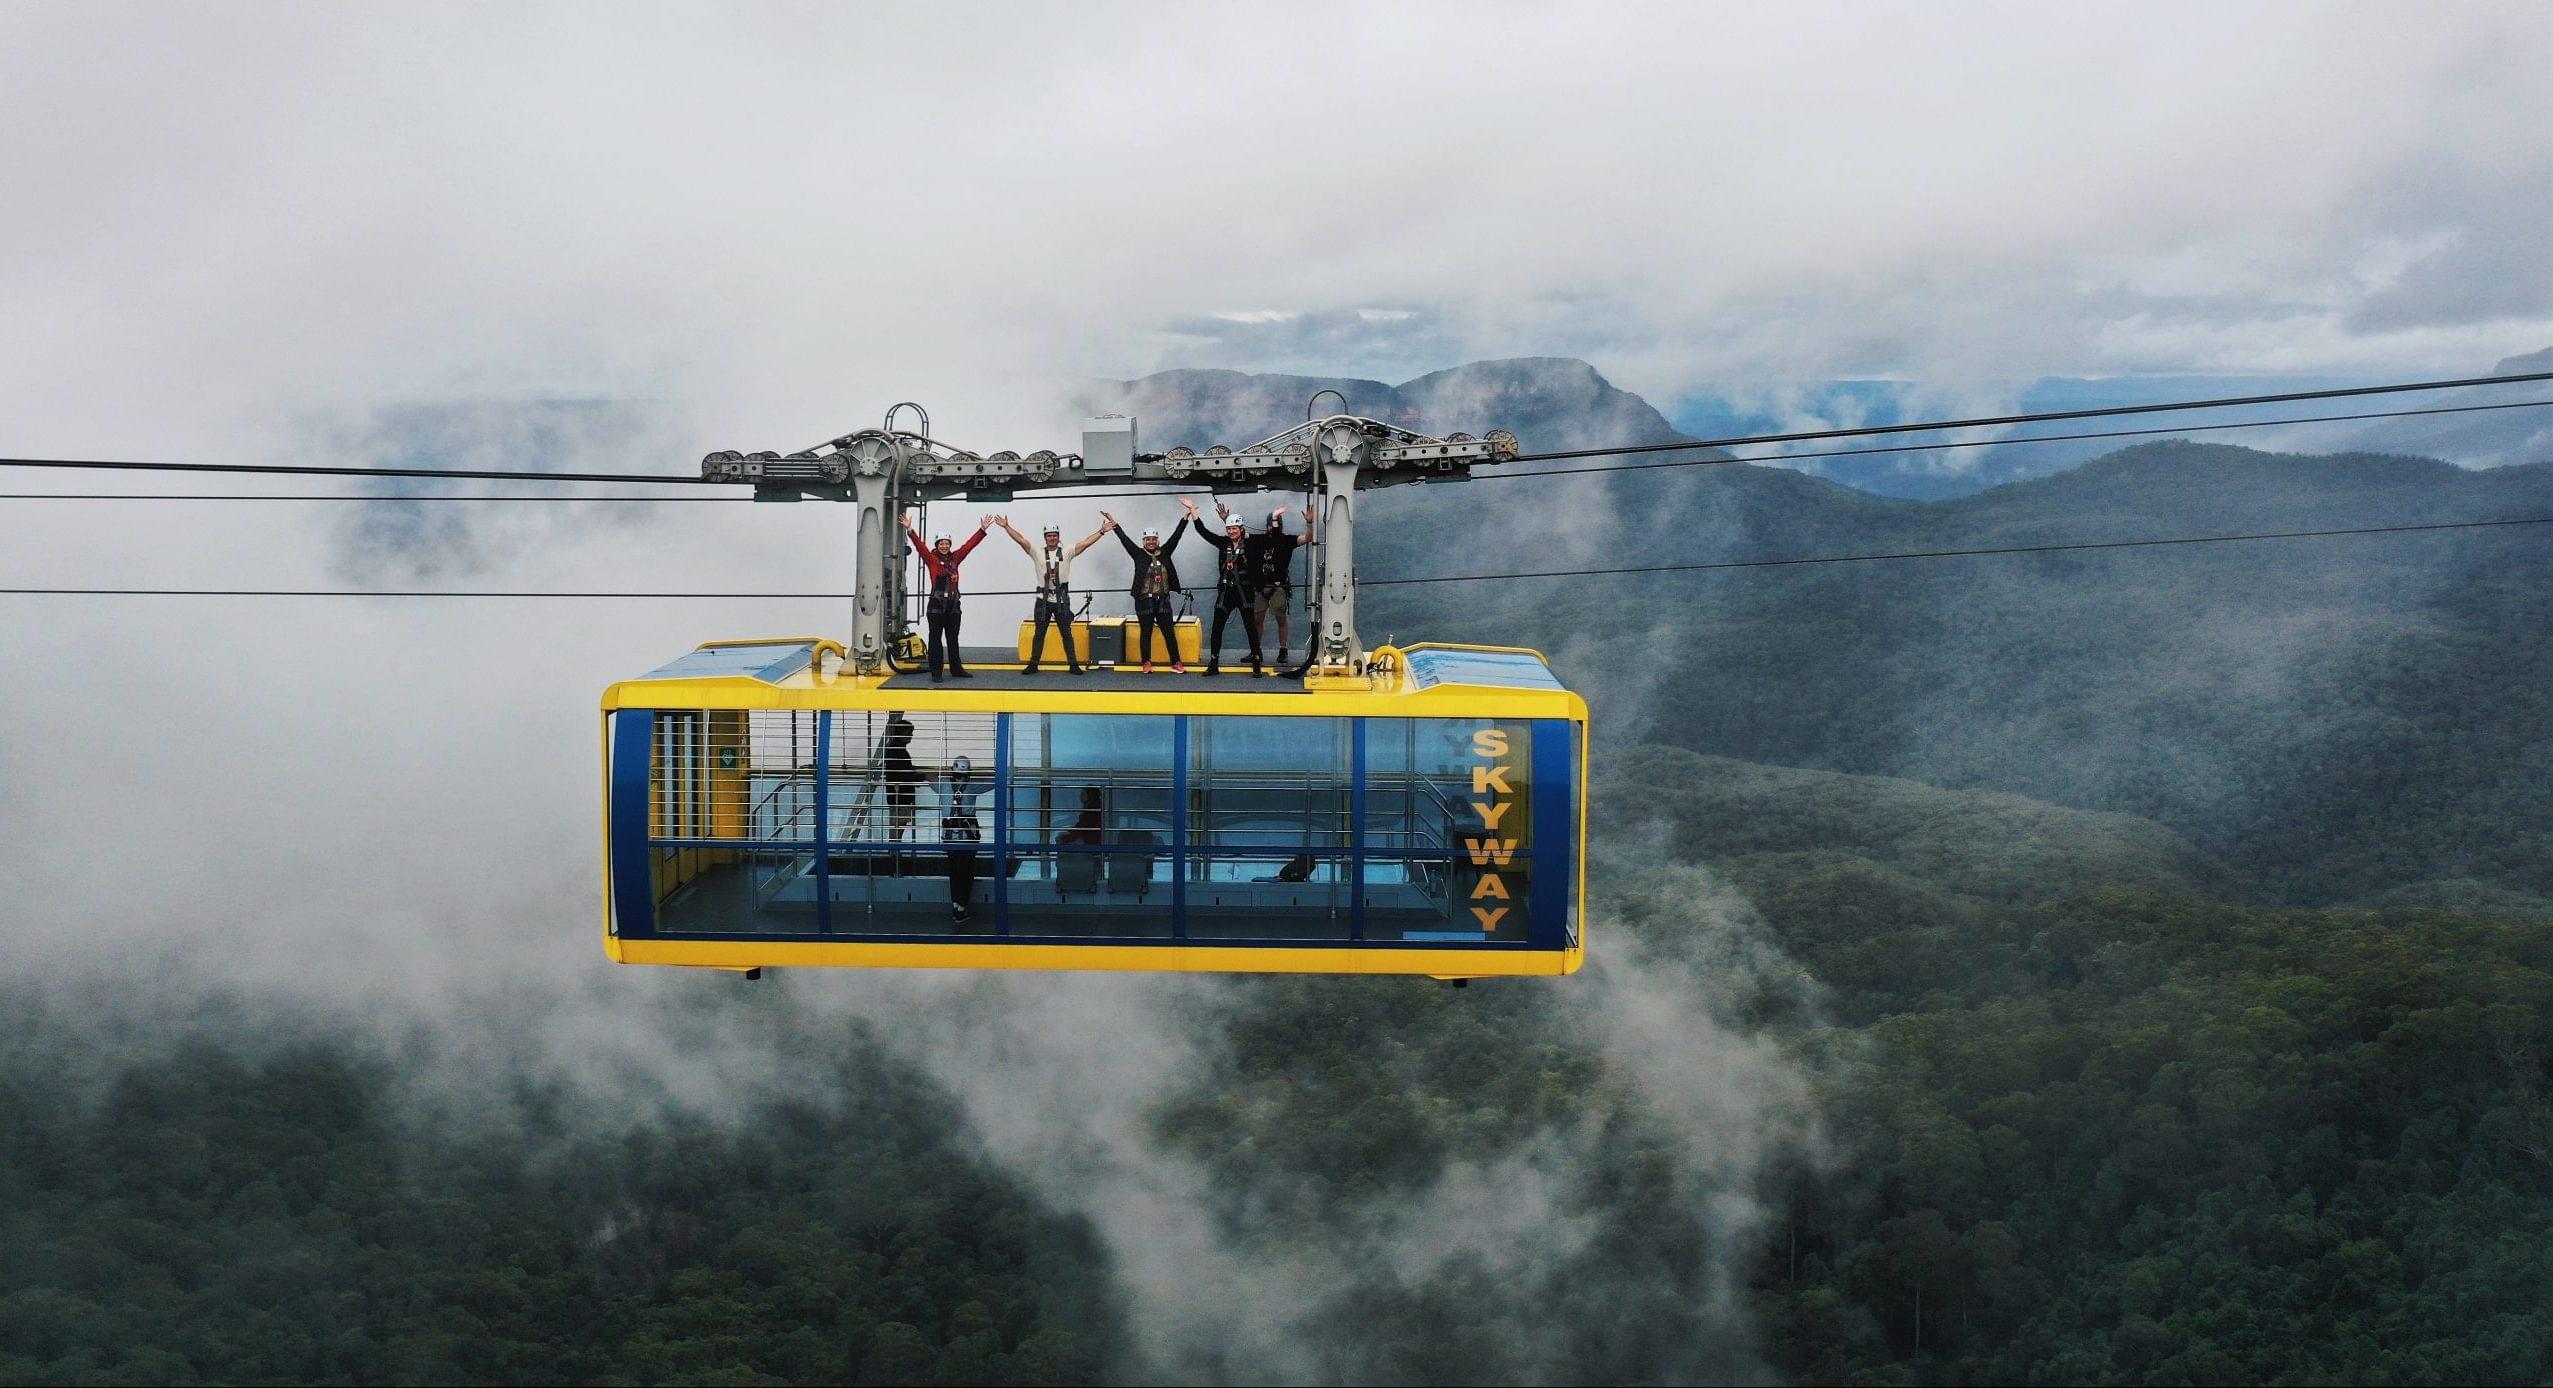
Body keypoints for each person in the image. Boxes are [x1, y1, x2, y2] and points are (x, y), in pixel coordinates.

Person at [995, 513, 1105, 675]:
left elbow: (1085, 543)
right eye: (1049, 536)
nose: (1052, 538)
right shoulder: (1036, 552)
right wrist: (1006, 527)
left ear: (1058, 537)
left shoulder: (1067, 551)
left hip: (1061, 596)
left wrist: (1101, 531)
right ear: (1045, 537)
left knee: (1066, 633)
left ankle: (1073, 664)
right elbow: (1021, 540)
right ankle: (1033, 664)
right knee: (1039, 633)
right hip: (1042, 598)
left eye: (1054, 535)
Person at [1182, 496, 1264, 676]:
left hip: (1244, 591)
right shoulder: (1223, 543)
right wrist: (1194, 511)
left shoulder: (1251, 544)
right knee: (1217, 627)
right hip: (1227, 591)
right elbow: (1203, 532)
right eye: (1229, 529)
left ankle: (1257, 663)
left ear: (1242, 529)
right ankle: (1213, 663)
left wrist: (1230, 521)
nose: (1231, 531)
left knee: (1250, 627)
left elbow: (1267, 539)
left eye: (1234, 528)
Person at [905, 511, 990, 682]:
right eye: (941, 543)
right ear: (937, 545)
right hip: (936, 609)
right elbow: (920, 547)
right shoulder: (932, 559)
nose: (944, 546)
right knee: (935, 640)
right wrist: (910, 530)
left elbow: (968, 546)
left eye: (947, 543)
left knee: (953, 640)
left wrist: (981, 530)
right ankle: (936, 673)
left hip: (953, 608)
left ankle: (956, 669)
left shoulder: (955, 559)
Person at [1101, 509, 1189, 673]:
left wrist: (1186, 517)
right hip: (1143, 600)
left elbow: (1177, 536)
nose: (1151, 542)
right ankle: (1146, 662)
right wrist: (1115, 525)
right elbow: (1125, 540)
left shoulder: (1166, 552)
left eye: (1153, 539)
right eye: (1148, 539)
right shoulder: (1138, 554)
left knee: (1169, 632)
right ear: (1143, 541)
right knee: (1146, 632)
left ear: (1158, 540)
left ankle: (1176, 662)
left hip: (1162, 599)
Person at [1231, 503, 1316, 667]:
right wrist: (1228, 522)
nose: (1271, 528)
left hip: (1278, 586)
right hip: (1261, 586)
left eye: (1273, 524)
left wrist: (1309, 523)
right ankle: (1256, 650)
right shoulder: (1259, 539)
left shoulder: (1287, 540)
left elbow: (1308, 538)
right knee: (1258, 620)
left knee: (1281, 619)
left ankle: (1283, 649)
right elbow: (1238, 534)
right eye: (1270, 525)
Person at [939, 755, 985, 923]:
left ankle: (955, 905)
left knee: (954, 872)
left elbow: (927, 778)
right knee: (966, 873)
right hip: (967, 836)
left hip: (949, 836)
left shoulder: (943, 783)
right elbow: (996, 781)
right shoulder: (973, 785)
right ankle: (961, 908)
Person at [878, 715, 921, 843]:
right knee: (899, 825)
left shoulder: (895, 749)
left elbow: (902, 770)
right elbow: (903, 773)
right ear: (902, 733)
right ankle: (894, 852)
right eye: (909, 733)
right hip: (900, 795)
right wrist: (920, 777)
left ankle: (894, 851)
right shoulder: (897, 750)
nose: (911, 736)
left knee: (898, 824)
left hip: (898, 794)